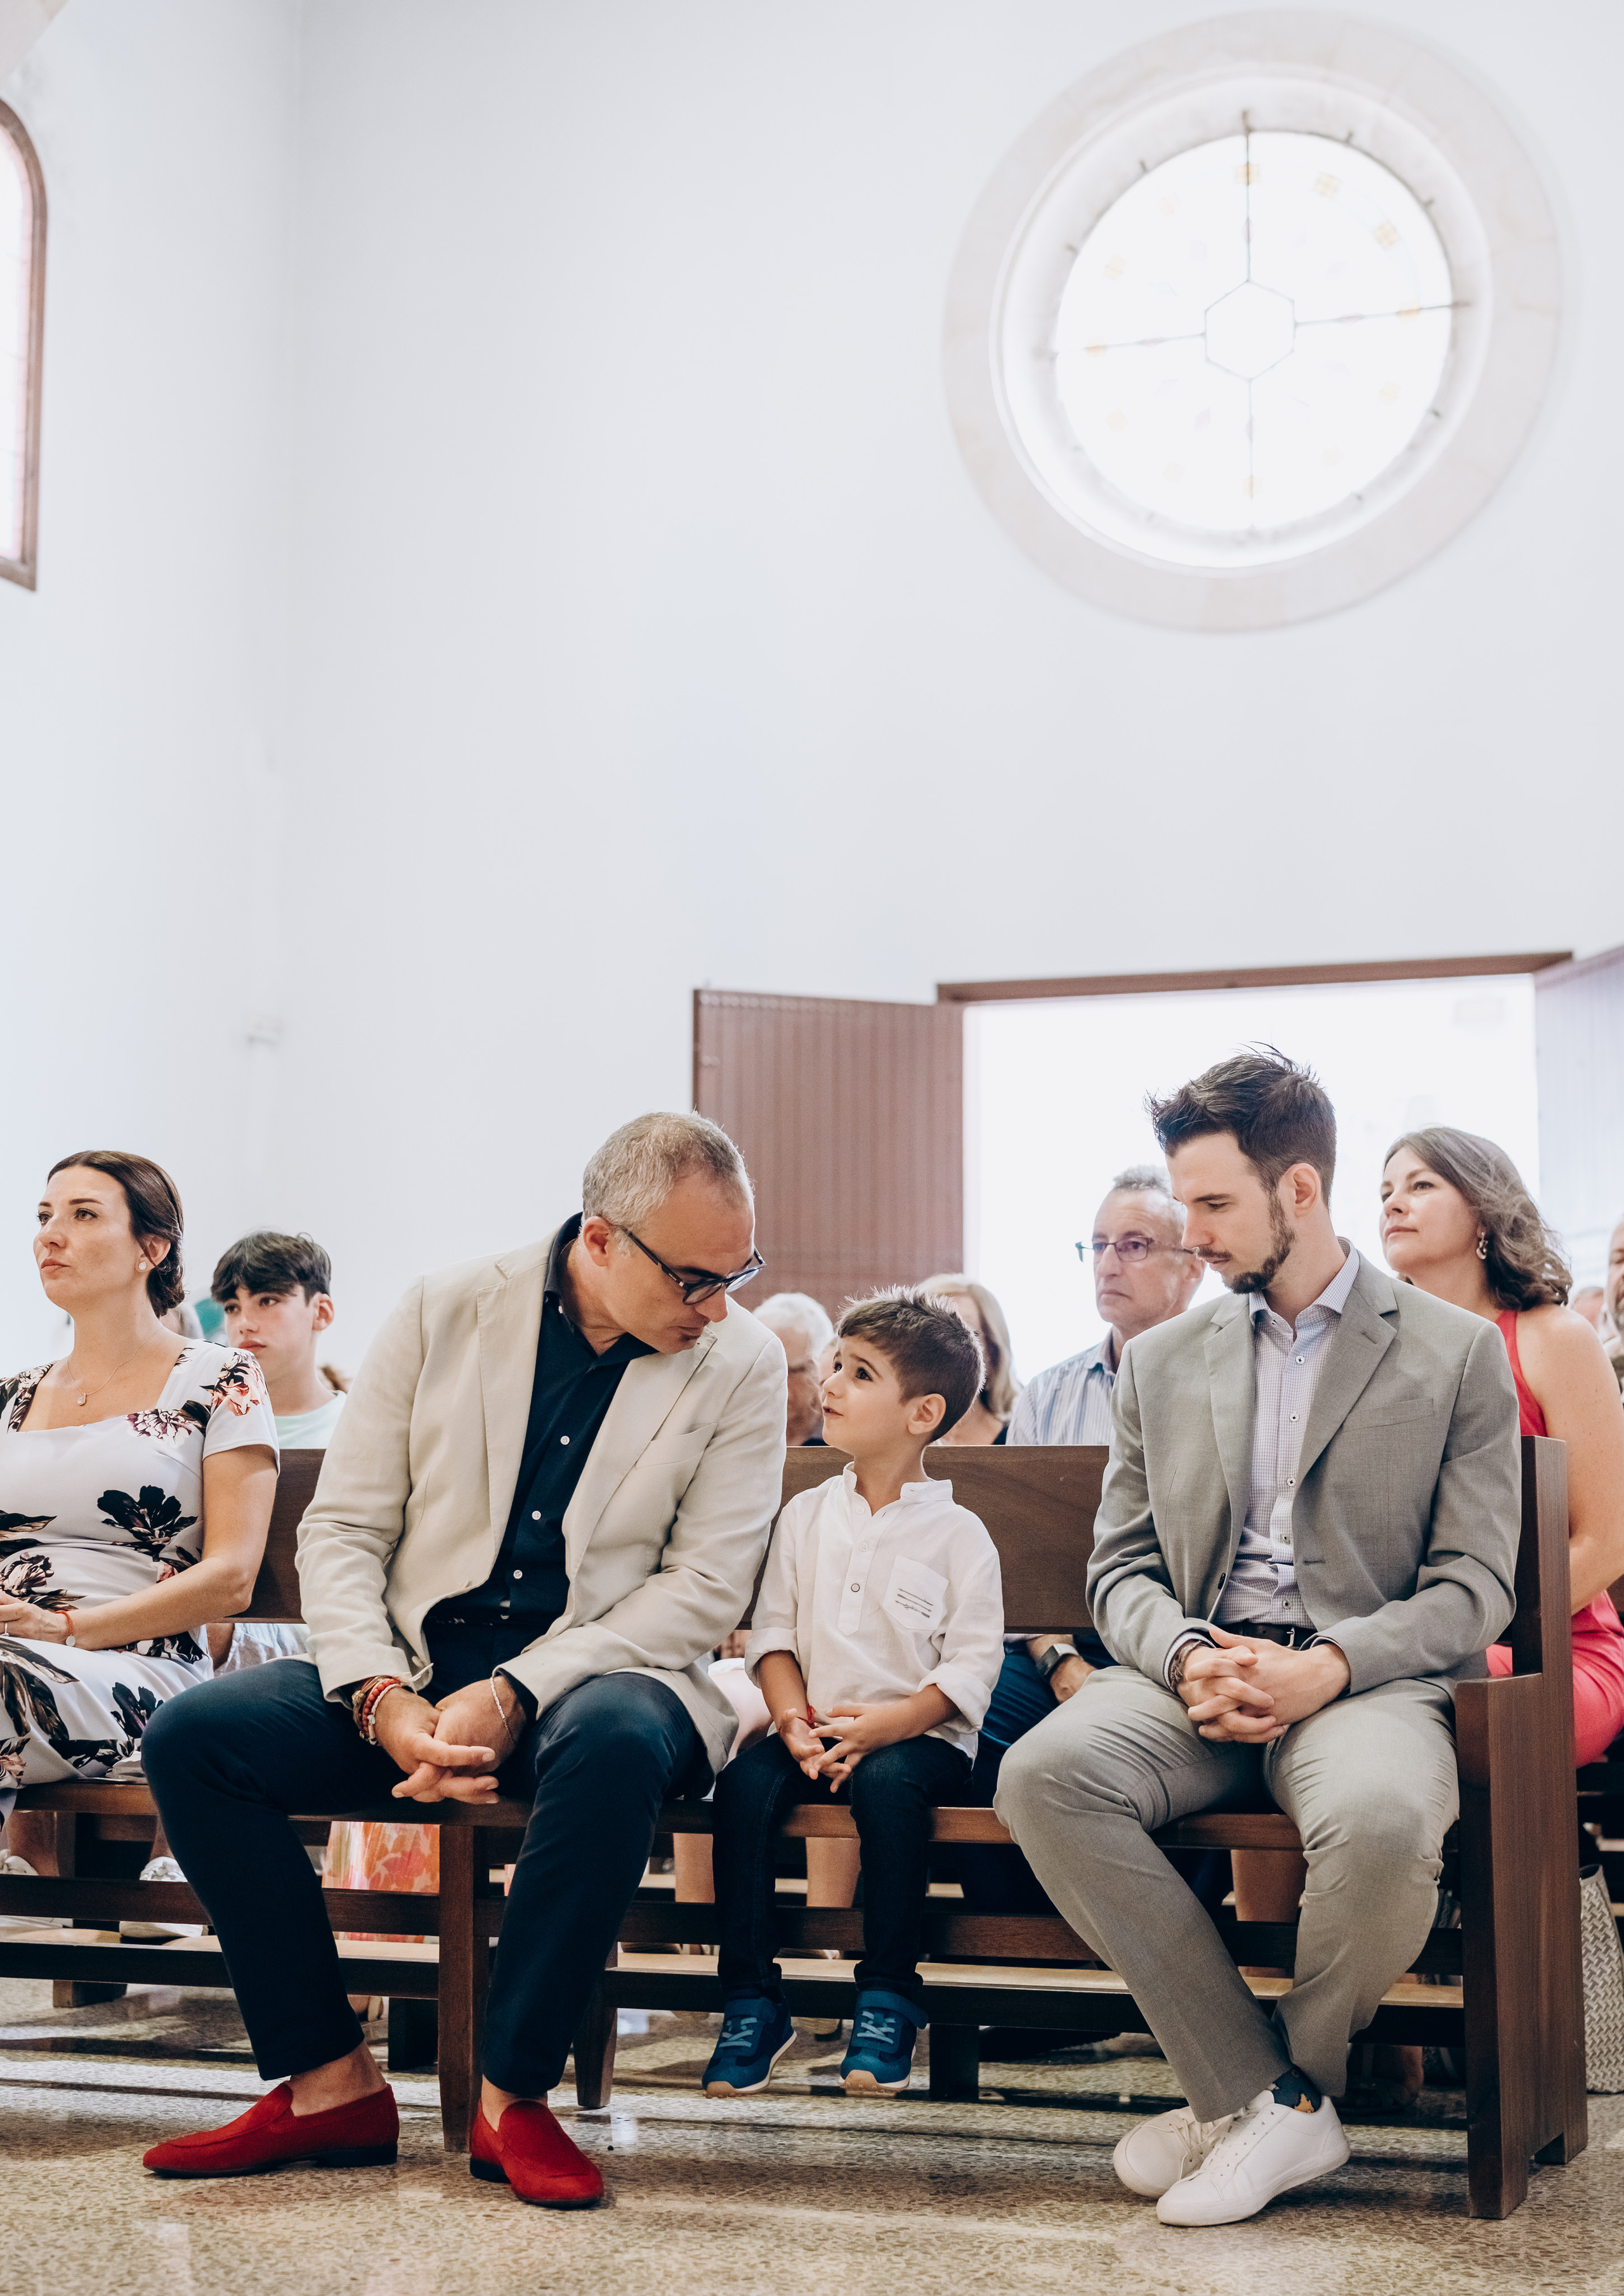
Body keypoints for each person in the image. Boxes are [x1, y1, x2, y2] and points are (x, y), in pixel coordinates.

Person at [139, 1113, 785, 2207]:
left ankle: (513, 2097)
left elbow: (704, 1589)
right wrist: (383, 1697)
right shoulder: (447, 1309)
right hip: (417, 1671)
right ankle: (327, 2082)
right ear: (600, 1241)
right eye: (693, 1279)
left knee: (618, 1738)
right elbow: (344, 1530)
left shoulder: (742, 1360)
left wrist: (518, 1689)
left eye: (737, 1274)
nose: (715, 1306)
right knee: (198, 1739)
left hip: (604, 1677)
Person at [994, 1050, 1521, 2229]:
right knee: (1044, 1773)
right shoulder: (1168, 1360)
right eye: (1184, 1207)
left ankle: (1272, 2093)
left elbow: (1476, 1585)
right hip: (1199, 1672)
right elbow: (1118, 1567)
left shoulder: (1453, 1353)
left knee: (1385, 1824)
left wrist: (1326, 1666)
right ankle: (1261, 2094)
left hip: (1366, 1679)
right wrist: (1187, 1654)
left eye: (1216, 1206)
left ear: (1298, 1191)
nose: (1194, 1236)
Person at [700, 1288, 1002, 2098]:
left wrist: (895, 1722)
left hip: (918, 1742)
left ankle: (888, 1994)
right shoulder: (804, 1515)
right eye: (834, 1362)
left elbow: (972, 1667)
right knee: (742, 1789)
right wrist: (794, 1723)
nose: (829, 1382)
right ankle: (751, 2000)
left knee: (888, 1783)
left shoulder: (958, 1534)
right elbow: (772, 1637)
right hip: (814, 1728)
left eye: (858, 1372)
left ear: (921, 1412)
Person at [0, 1152, 278, 1890]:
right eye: (44, 1216)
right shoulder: (11, 1395)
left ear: (151, 1249)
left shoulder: (220, 1377)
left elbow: (232, 1577)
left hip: (139, 1664)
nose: (50, 1235)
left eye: (83, 1214)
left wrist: (66, 1627)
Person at [957, 1169, 1205, 1919]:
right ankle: (1010, 1943)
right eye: (1096, 1245)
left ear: (1192, 1266)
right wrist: (1057, 1658)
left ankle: (1165, 1940)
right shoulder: (1053, 1392)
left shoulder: (1227, 1382)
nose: (1107, 1263)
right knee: (965, 1712)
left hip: (1181, 1644)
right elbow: (1022, 1561)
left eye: (1133, 1244)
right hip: (1061, 1643)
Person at [1378, 1132, 1624, 1763]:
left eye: (1420, 1184)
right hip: (1408, 1645)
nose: (1392, 1203)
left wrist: (1447, 1629)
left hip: (1552, 1647)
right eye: (1385, 1191)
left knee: (1378, 1703)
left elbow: (1606, 1542)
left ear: (1485, 1211)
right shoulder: (1374, 1361)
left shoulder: (1555, 1339)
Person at [919, 1276, 1020, 1445]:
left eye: (965, 1332)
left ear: (992, 1353)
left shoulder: (1019, 1440)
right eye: (930, 1333)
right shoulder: (888, 1439)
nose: (944, 1346)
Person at [752, 1293, 835, 1447]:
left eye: (793, 1371)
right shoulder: (732, 1433)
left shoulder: (844, 1441)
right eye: (762, 1369)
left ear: (822, 1369)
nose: (776, 1383)